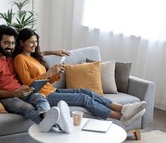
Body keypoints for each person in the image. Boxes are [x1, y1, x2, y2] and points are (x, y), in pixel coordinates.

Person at [12, 28, 146, 128]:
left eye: (36, 42)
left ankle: (123, 109)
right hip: (43, 96)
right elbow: (30, 86)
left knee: (85, 92)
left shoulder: (34, 57)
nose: (34, 45)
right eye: (31, 42)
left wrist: (55, 74)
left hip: (51, 91)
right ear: (22, 43)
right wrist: (49, 73)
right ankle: (121, 118)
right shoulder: (19, 59)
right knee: (83, 99)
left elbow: (46, 81)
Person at [0, 25, 71, 132]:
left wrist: (52, 52)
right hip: (7, 97)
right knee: (27, 108)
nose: (10, 46)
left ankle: (47, 118)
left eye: (13, 43)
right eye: (6, 43)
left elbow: (30, 54)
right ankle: (56, 126)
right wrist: (16, 93)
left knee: (40, 97)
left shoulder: (9, 55)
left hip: (22, 91)